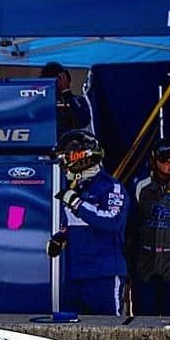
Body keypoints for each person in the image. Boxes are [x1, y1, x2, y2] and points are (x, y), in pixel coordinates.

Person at [48, 129, 129, 316]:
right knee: (68, 329)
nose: (63, 163)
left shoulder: (111, 186)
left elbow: (113, 220)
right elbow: (73, 223)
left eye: (66, 157)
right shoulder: (74, 187)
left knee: (110, 332)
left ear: (81, 157)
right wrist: (60, 237)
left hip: (103, 275)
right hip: (74, 274)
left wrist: (77, 203)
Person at [128, 140, 170, 316]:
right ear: (154, 160)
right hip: (145, 261)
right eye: (166, 160)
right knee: (143, 319)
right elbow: (132, 226)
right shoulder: (140, 184)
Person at [40, 61, 94, 135]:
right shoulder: (38, 102)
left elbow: (83, 121)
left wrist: (66, 92)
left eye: (60, 79)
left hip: (67, 142)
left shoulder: (75, 100)